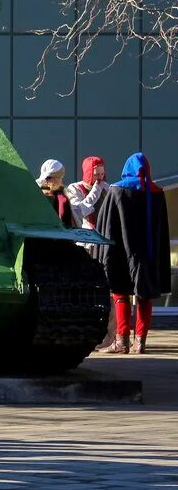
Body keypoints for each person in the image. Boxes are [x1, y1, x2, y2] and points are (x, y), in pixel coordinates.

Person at [93, 152, 171, 355]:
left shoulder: (117, 190)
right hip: (148, 254)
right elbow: (161, 228)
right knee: (144, 297)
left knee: (120, 294)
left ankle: (121, 342)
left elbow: (106, 225)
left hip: (121, 253)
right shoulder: (156, 192)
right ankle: (140, 342)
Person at [67, 156, 108, 231]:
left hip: (104, 232)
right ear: (88, 174)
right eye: (96, 175)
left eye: (102, 174)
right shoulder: (75, 188)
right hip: (86, 235)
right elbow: (78, 212)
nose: (100, 178)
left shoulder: (105, 187)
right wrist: (95, 193)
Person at [36, 159, 75, 228]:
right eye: (60, 177)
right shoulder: (40, 194)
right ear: (53, 179)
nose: (61, 180)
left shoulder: (61, 193)